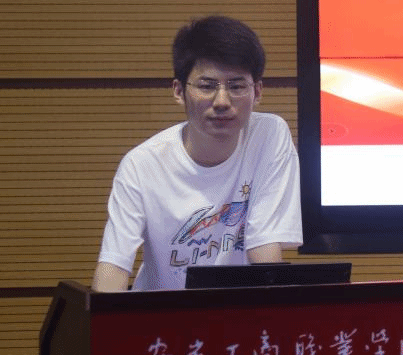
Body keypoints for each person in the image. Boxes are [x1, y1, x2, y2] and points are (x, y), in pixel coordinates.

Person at [92, 15, 302, 292]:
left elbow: (264, 246)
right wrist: (104, 315)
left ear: (258, 92)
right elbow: (115, 264)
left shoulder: (269, 136)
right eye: (206, 86)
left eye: (237, 86)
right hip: (164, 313)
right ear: (179, 91)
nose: (222, 102)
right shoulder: (142, 165)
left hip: (238, 311)